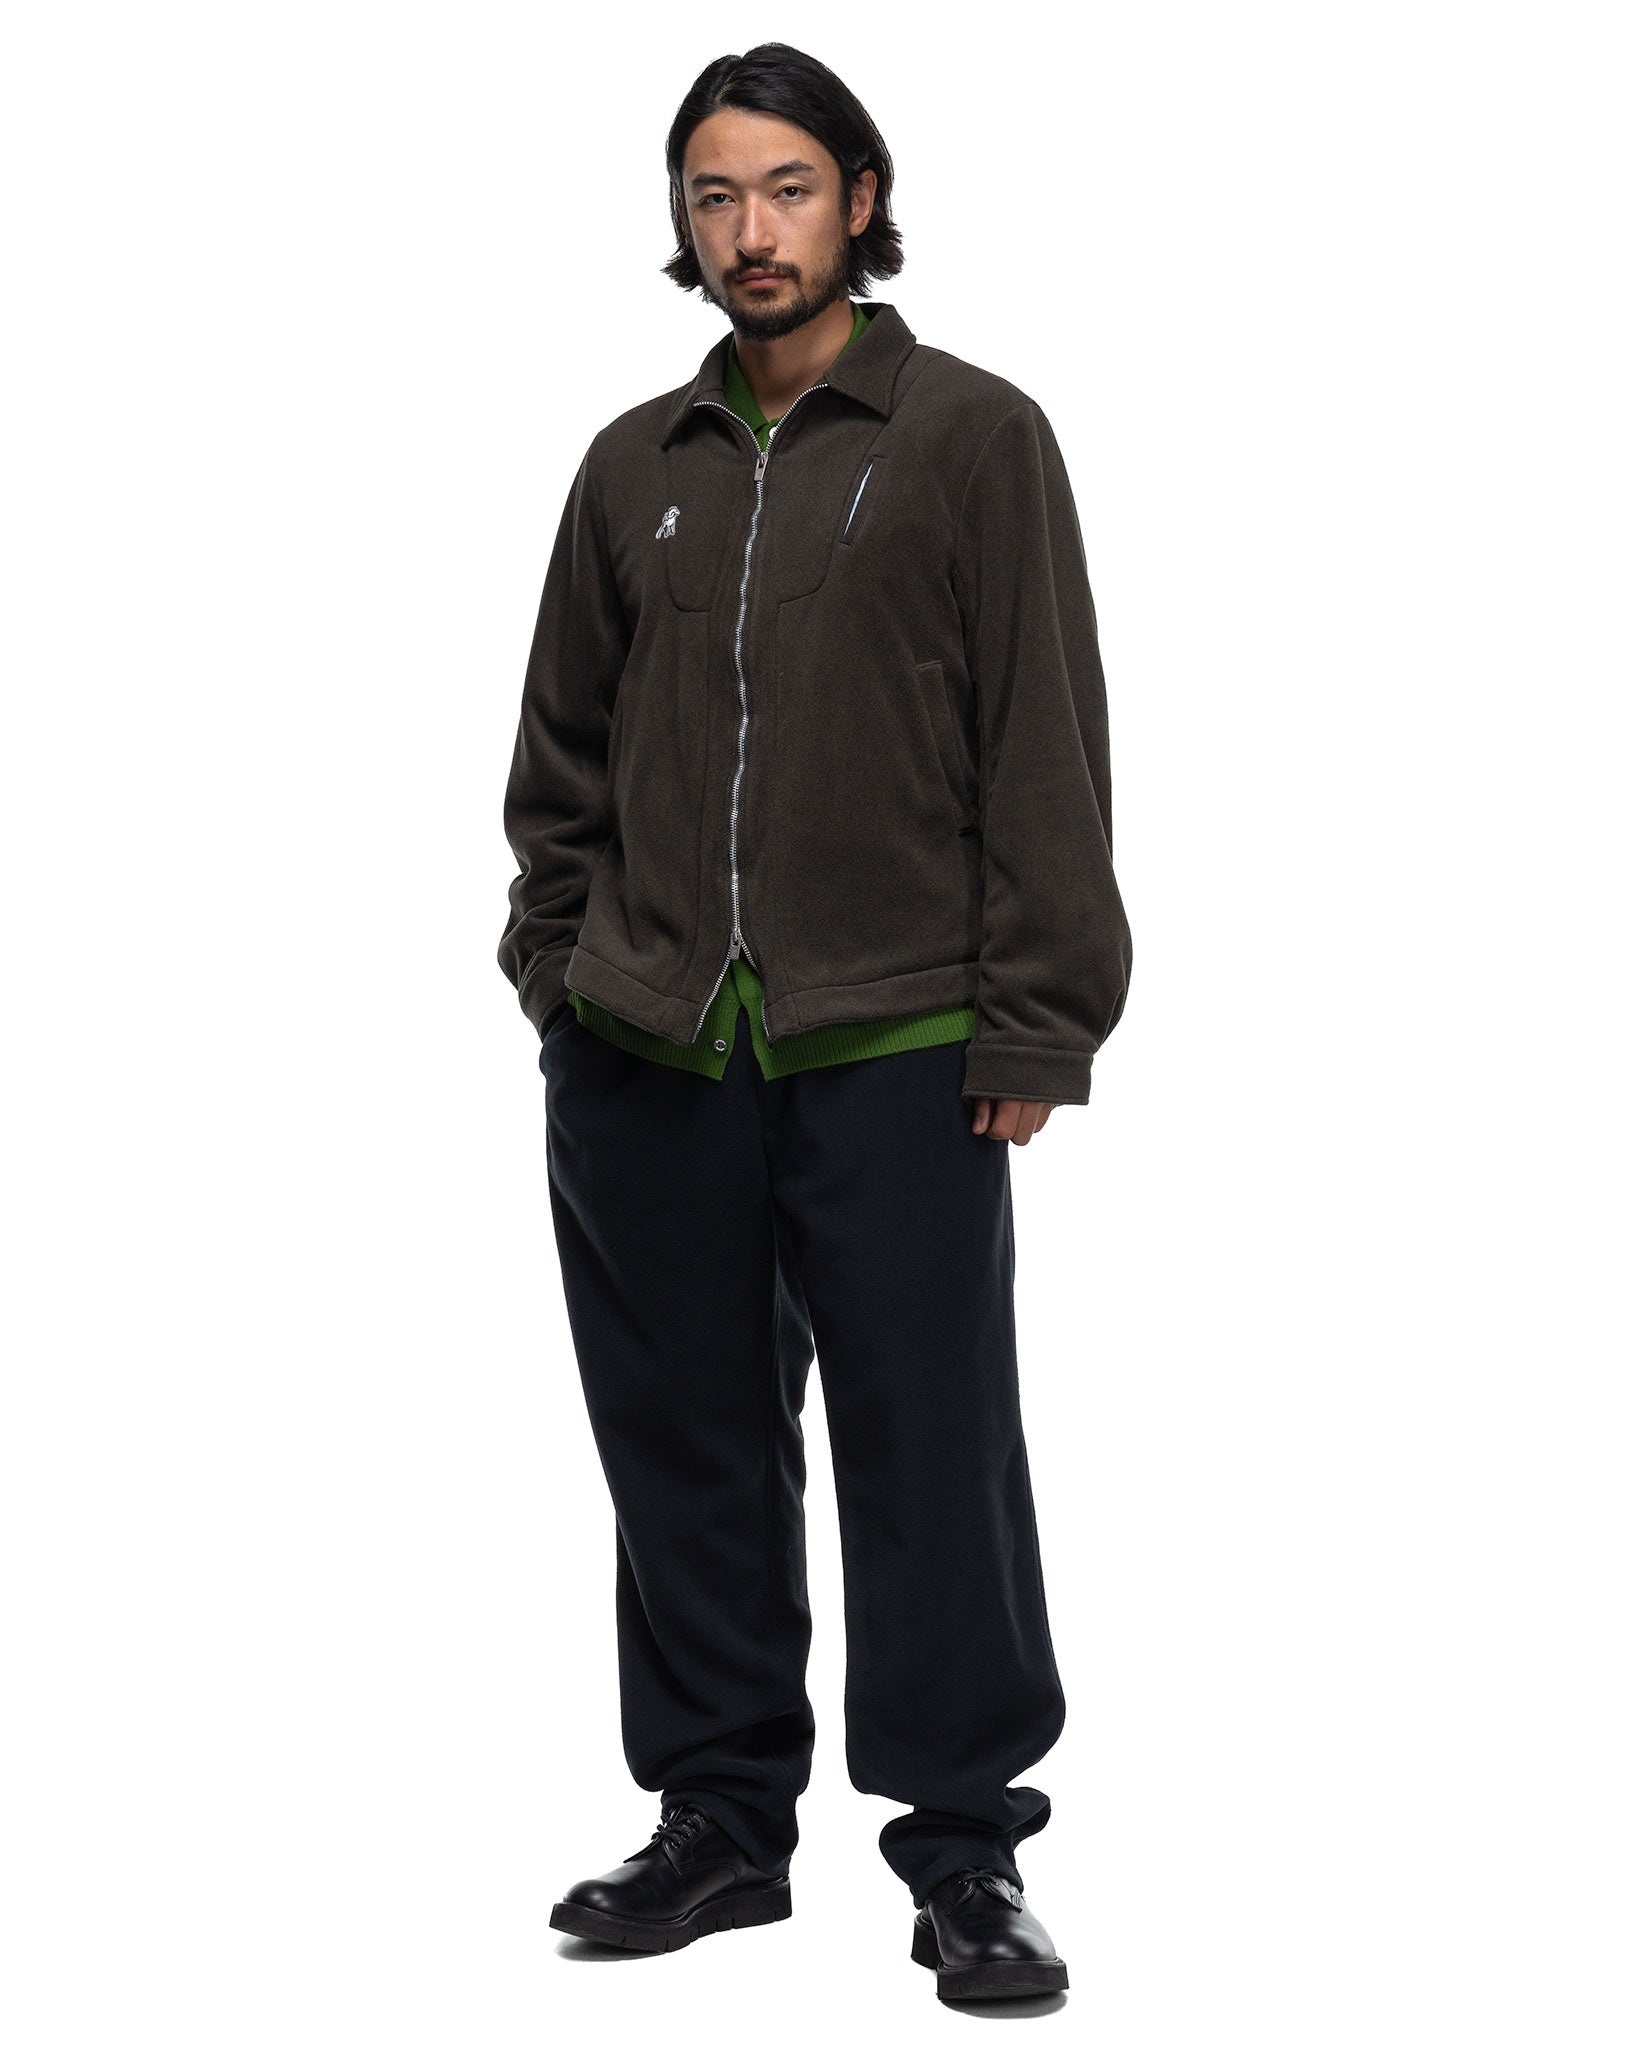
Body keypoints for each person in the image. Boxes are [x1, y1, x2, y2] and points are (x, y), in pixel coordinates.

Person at [498, 41, 1132, 2006]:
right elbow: (560, 758)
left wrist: (1034, 1021)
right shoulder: (634, 466)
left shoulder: (973, 439)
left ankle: (965, 1852)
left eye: (785, 188)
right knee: (686, 1447)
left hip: (899, 1045)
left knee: (931, 1454)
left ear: (858, 197)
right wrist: (560, 977)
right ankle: (717, 1822)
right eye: (715, 195)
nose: (750, 231)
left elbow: (1042, 746)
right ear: (683, 222)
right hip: (651, 1050)